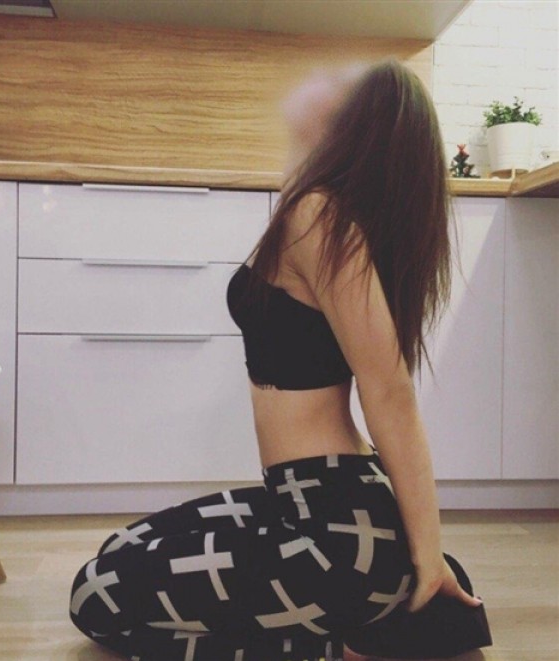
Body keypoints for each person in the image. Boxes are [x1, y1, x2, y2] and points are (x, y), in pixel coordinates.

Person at [69, 57, 492, 661]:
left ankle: (339, 648)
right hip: (309, 502)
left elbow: (390, 392)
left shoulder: (319, 213)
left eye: (336, 87)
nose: (314, 82)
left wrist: (428, 559)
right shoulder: (327, 213)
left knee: (96, 595)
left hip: (333, 531)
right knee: (121, 550)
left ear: (353, 124)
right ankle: (375, 618)